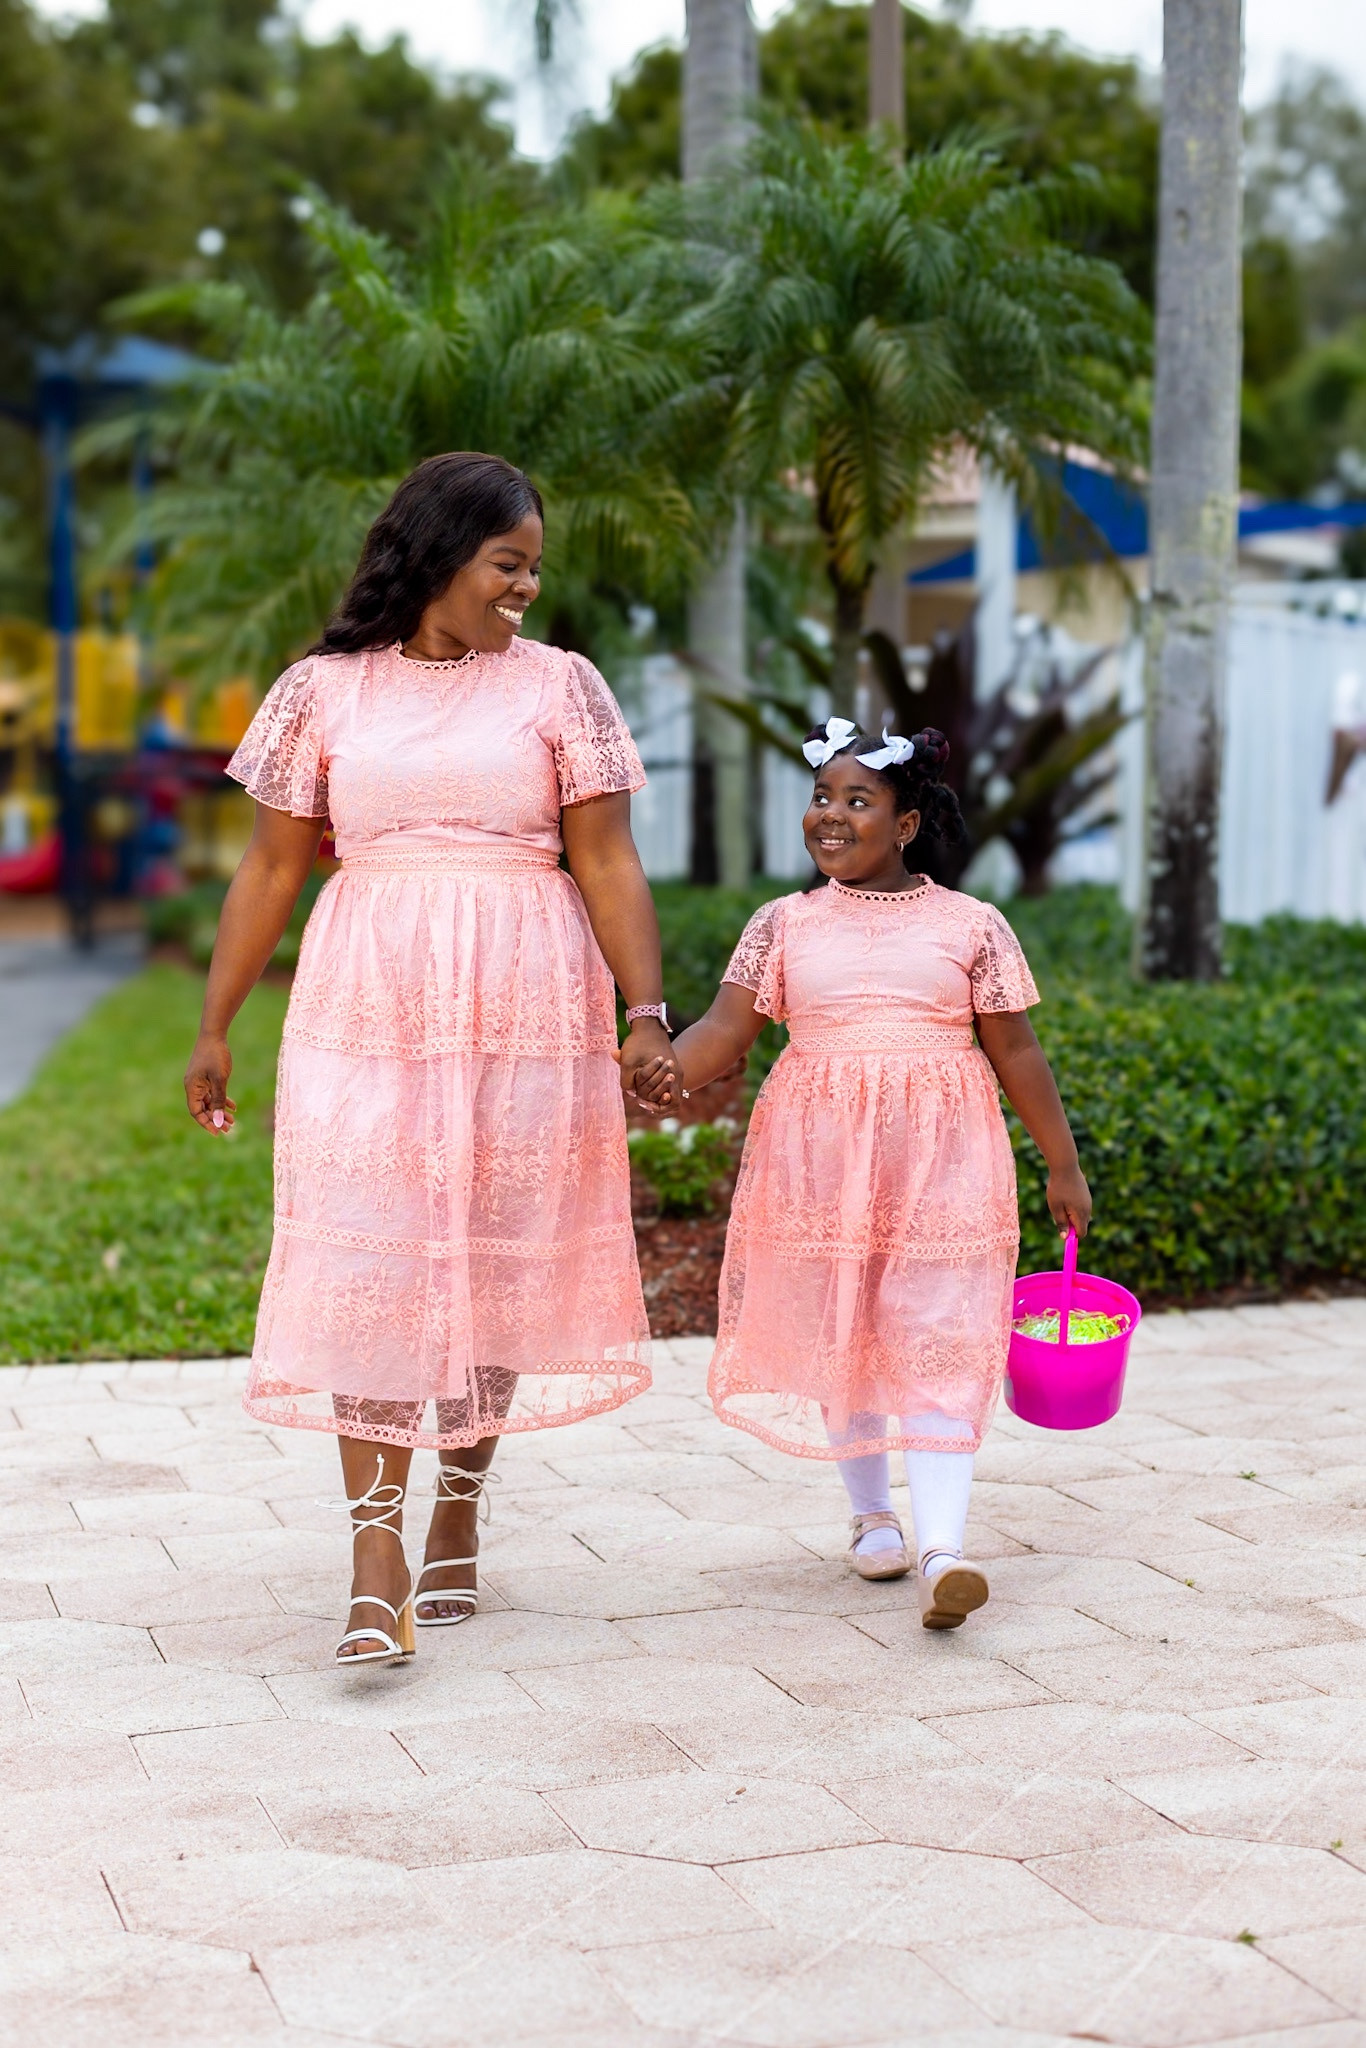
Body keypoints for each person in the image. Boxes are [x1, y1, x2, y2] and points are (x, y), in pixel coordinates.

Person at [184, 451, 678, 1667]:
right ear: (437, 553)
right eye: (509, 562)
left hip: (526, 992)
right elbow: (269, 868)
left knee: (490, 1249)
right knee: (372, 1252)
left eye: (535, 567)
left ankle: (457, 1499)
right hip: (369, 997)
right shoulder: (323, 691)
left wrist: (649, 1009)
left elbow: (605, 861)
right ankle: (372, 1553)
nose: (526, 587)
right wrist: (214, 1022)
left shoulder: (561, 686)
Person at [634, 716, 1090, 1629]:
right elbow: (727, 1033)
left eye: (857, 800)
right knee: (845, 1322)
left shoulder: (972, 926)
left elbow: (1019, 1052)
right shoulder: (784, 926)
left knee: (937, 1331)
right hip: (820, 1161)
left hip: (944, 1161)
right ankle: (871, 1513)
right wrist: (662, 1066)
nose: (830, 816)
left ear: (907, 823)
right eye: (820, 797)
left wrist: (1062, 1160)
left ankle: (944, 1551)